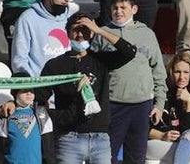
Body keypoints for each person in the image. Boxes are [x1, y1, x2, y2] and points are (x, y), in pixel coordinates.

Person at [39, 14, 138, 164]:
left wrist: (99, 30)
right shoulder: (55, 65)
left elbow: (129, 51)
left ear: (91, 33)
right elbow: (39, 99)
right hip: (69, 138)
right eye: (76, 30)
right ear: (67, 33)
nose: (80, 35)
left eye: (85, 30)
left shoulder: (100, 60)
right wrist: (62, 118)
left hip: (100, 139)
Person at [101, 0, 166, 164]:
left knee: (136, 157)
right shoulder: (102, 33)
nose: (118, 11)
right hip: (113, 105)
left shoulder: (147, 34)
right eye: (115, 7)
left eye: (123, 7)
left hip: (141, 105)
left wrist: (159, 104)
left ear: (134, 9)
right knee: (107, 156)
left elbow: (158, 71)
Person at [11, 0, 78, 77]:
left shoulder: (71, 16)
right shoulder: (28, 19)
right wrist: (34, 85)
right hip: (40, 85)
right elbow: (19, 59)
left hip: (66, 85)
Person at [148, 54, 190, 164]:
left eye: (186, 72)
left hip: (185, 142)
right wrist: (162, 135)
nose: (181, 77)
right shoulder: (160, 94)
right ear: (170, 72)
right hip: (159, 142)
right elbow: (141, 128)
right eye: (177, 72)